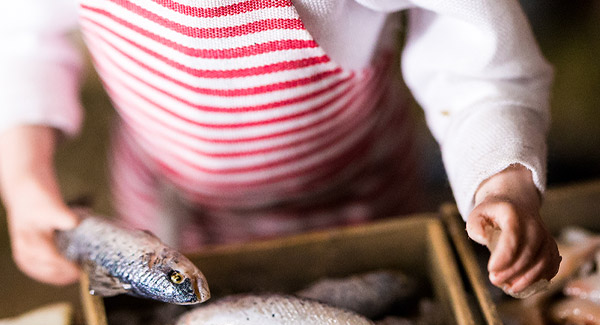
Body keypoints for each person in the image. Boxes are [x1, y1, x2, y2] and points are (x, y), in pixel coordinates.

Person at [0, 0, 561, 296]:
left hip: (354, 201)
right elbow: (24, 40)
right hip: (168, 200)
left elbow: (478, 66)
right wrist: (24, 177)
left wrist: (501, 178)